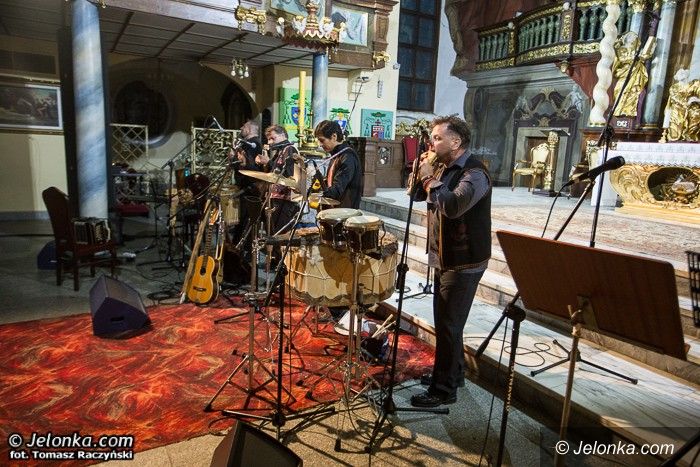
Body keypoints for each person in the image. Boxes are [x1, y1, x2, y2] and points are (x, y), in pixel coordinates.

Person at [409, 115, 492, 408]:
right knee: (448, 323)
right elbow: (416, 195)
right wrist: (421, 172)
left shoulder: (475, 173)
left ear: (456, 141)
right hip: (444, 256)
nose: (432, 143)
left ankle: (443, 390)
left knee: (448, 325)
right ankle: (453, 375)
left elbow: (453, 206)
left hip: (464, 261)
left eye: (438, 138)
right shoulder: (442, 167)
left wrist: (429, 179)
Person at [256, 125, 300, 235]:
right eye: (268, 139)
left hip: (285, 201)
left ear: (283, 135)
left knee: (280, 234)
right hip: (276, 199)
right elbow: (272, 174)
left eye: (272, 138)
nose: (270, 142)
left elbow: (289, 174)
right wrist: (264, 164)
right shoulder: (280, 152)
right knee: (272, 233)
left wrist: (268, 162)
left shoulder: (290, 149)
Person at [314, 120, 362, 209]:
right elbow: (331, 181)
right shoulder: (337, 154)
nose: (320, 145)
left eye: (322, 140)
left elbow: (338, 189)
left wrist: (318, 195)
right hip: (336, 208)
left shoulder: (348, 156)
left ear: (334, 136)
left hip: (345, 211)